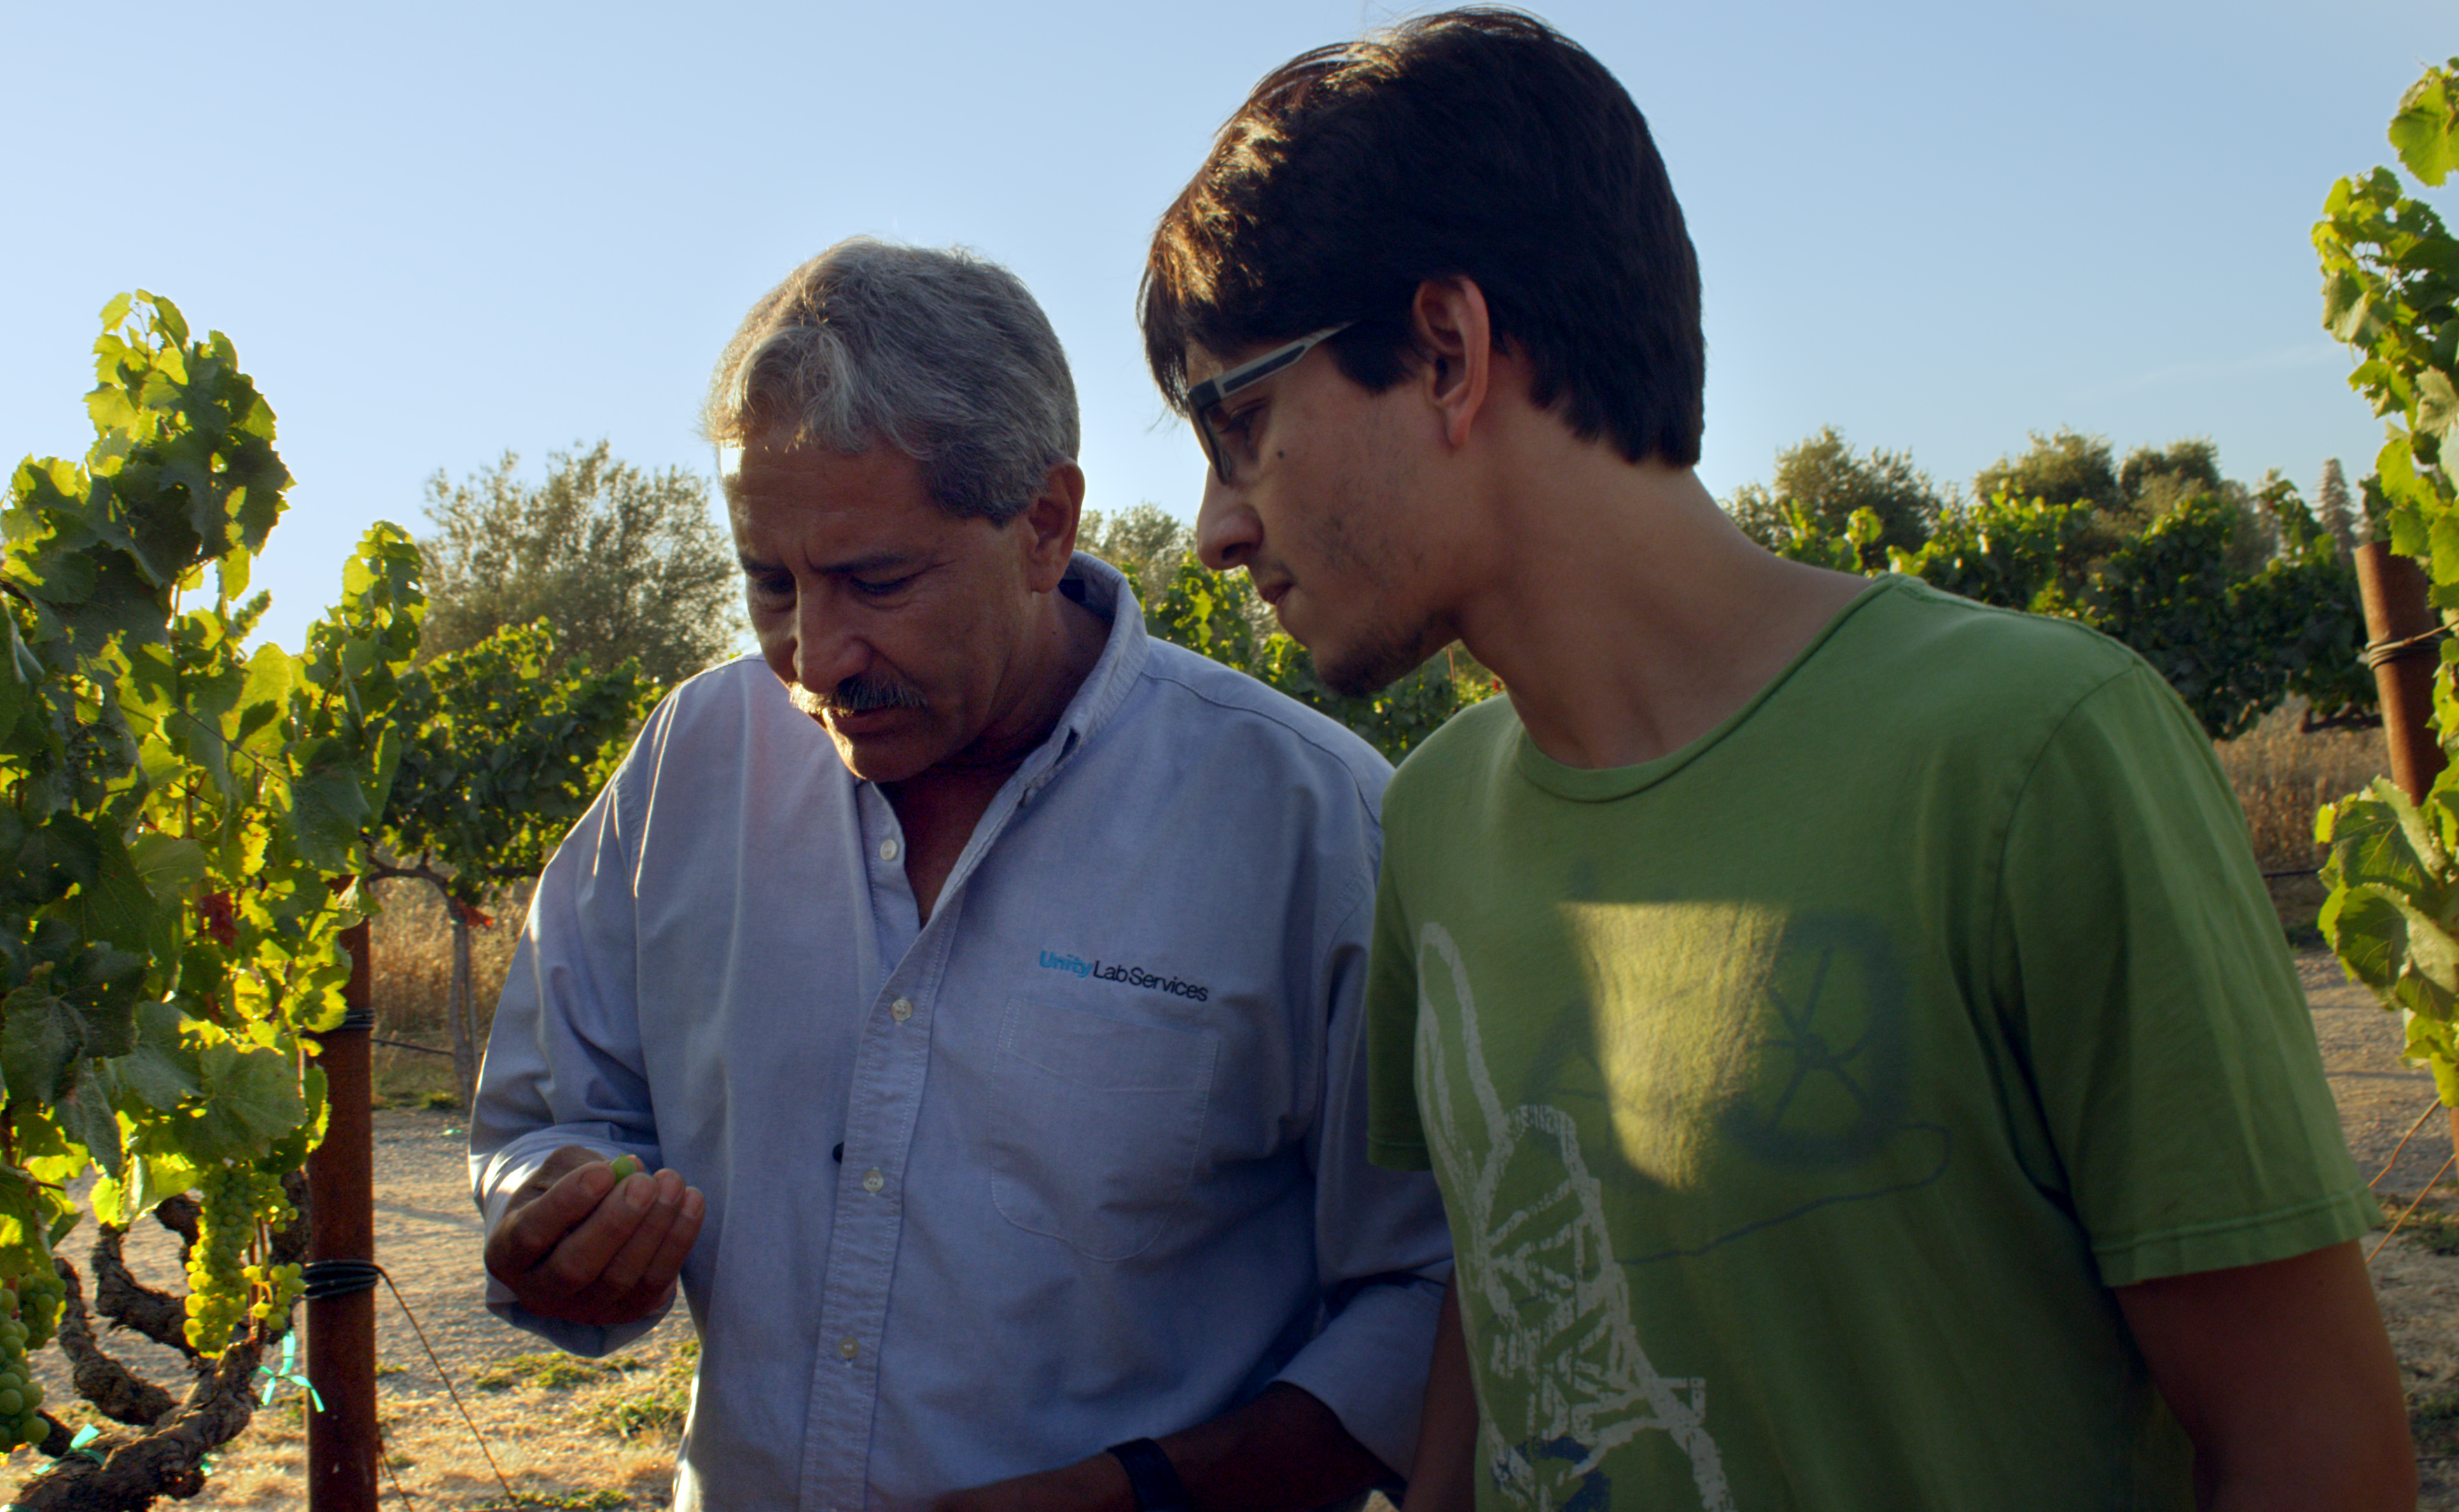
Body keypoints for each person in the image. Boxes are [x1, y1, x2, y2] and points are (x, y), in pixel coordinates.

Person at [1138, 10, 2415, 1511]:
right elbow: (1508, 1307)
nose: (1219, 528)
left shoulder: (2033, 754)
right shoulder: (1430, 823)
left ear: (1445, 351)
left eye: (1240, 424)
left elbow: (2309, 1450)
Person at [471, 236, 1453, 1512]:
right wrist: (556, 1215)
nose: (817, 655)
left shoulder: (1312, 825)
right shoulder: (691, 763)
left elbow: (1428, 1292)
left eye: (877, 580)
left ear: (1045, 522)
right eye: (769, 585)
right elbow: (546, 1115)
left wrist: (1143, 1495)